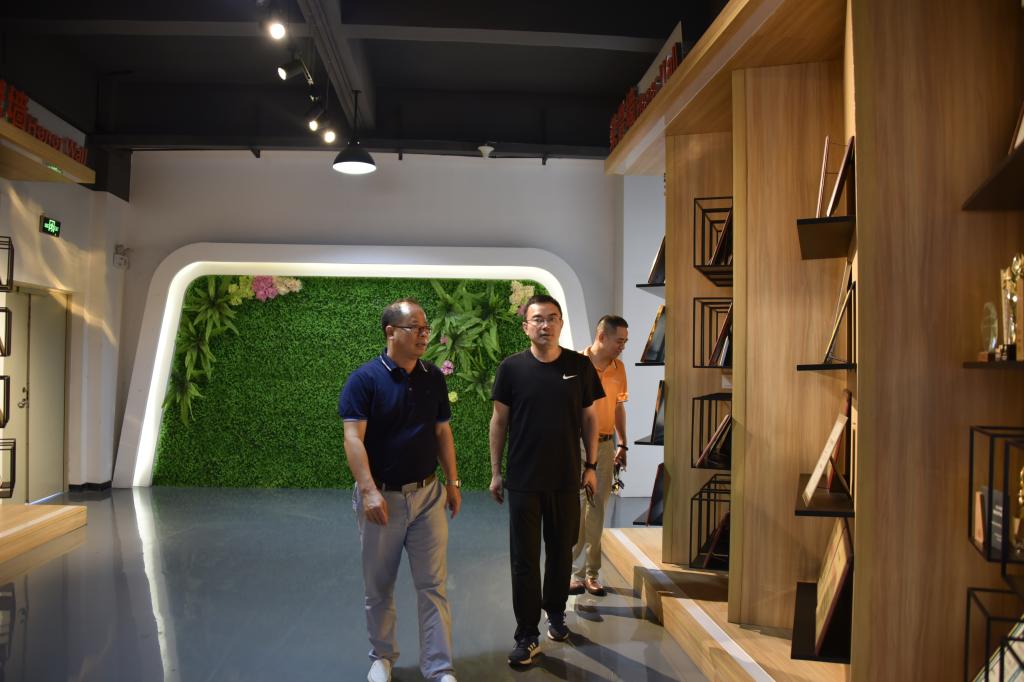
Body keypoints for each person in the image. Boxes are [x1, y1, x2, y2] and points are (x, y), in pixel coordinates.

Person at [339, 299, 462, 682]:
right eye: (415, 328)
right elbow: (353, 438)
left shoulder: (433, 377)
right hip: (383, 500)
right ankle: (382, 657)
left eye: (426, 328)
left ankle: (439, 668)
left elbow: (442, 432)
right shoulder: (364, 380)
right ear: (391, 332)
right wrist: (369, 491)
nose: (424, 335)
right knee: (379, 585)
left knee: (433, 586)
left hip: (428, 496)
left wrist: (452, 482)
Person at [488, 294, 604, 667]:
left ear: (560, 324)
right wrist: (496, 472)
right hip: (524, 480)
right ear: (526, 327)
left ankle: (555, 616)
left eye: (552, 318)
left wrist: (591, 465)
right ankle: (526, 634)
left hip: (566, 478)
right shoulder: (511, 368)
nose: (545, 325)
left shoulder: (579, 366)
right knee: (524, 559)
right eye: (538, 319)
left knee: (560, 552)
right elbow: (499, 421)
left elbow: (589, 418)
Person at [570, 315, 629, 597]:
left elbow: (618, 407)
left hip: (605, 447)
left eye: (625, 342)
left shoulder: (619, 368)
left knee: (596, 510)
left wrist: (623, 444)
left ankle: (591, 574)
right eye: (619, 341)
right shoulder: (573, 364)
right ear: (602, 337)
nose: (623, 346)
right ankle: (571, 572)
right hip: (577, 444)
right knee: (577, 509)